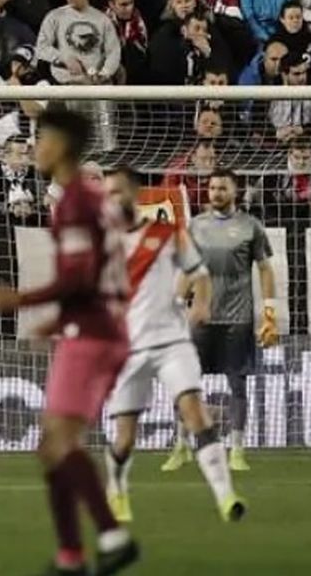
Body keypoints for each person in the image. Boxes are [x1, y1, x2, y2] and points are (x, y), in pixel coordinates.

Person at [0, 108, 138, 576]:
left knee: (60, 443)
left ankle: (110, 535)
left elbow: (78, 277)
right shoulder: (94, 199)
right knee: (53, 447)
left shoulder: (75, 202)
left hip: (91, 334)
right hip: (101, 326)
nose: (37, 148)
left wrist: (21, 299)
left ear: (64, 147)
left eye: (44, 139)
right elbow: (97, 276)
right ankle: (70, 556)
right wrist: (56, 318)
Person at [99, 168, 242, 523]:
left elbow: (199, 273)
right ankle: (116, 487)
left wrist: (201, 303)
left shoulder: (168, 234)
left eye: (118, 192)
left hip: (172, 343)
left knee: (196, 412)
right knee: (125, 438)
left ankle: (227, 498)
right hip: (129, 349)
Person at [170, 168, 278, 475]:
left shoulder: (250, 226)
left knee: (237, 384)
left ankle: (237, 450)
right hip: (201, 316)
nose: (216, 193)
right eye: (212, 188)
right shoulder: (196, 225)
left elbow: (265, 268)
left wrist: (269, 311)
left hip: (238, 317)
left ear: (235, 191)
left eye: (222, 188)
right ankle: (181, 446)